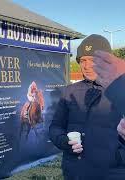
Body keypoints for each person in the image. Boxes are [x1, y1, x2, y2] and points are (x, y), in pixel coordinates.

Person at [49, 34, 125, 179]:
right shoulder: (69, 91)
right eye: (82, 60)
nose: (86, 65)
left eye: (92, 60)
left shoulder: (121, 90)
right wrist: (63, 141)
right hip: (75, 172)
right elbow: (55, 127)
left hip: (112, 173)